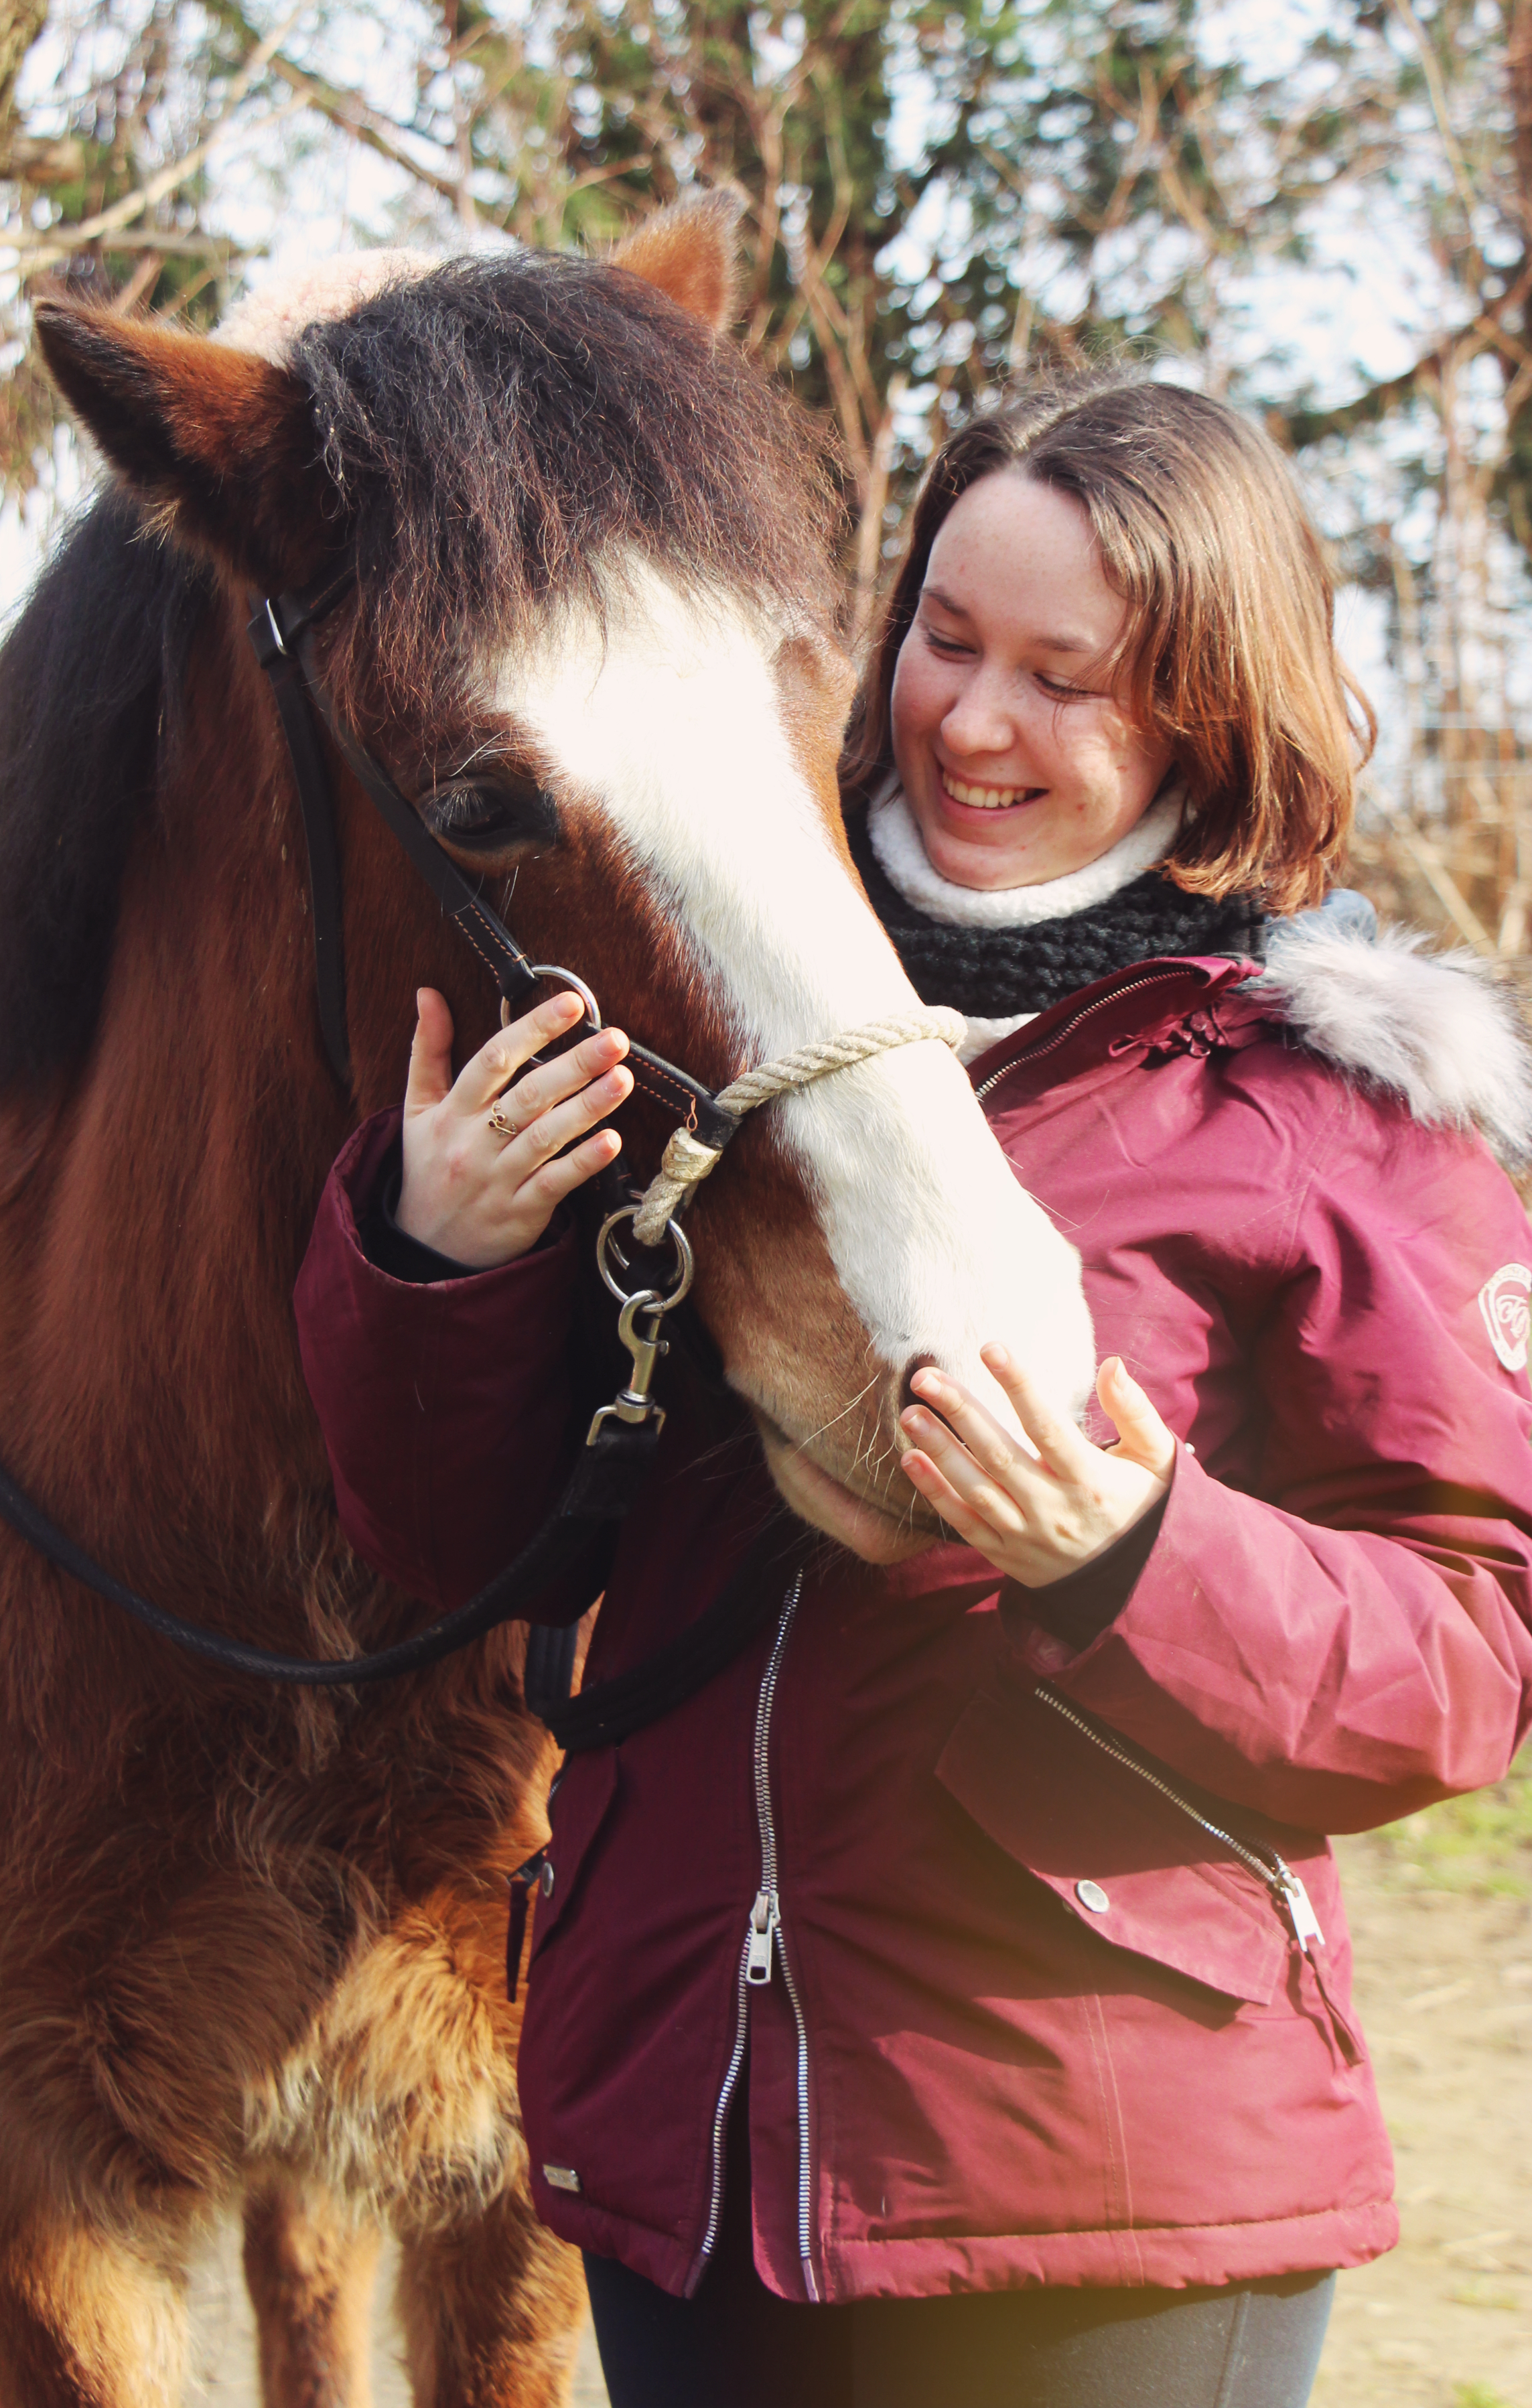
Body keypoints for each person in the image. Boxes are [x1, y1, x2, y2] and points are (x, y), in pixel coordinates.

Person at [295, 375, 1532, 2408]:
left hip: (1100, 2177)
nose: (971, 721)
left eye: (1070, 677)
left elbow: (1467, 1657)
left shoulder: (1323, 1113)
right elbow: (461, 1550)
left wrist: (1138, 1554)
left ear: (1208, 714)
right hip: (692, 2135)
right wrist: (439, 1257)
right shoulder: (677, 984)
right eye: (948, 637)